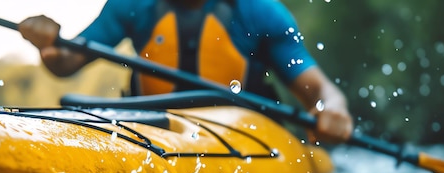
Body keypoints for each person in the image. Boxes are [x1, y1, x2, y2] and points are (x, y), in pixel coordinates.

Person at [18, 0, 353, 144]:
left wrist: (333, 109)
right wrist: (47, 42)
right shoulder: (133, 5)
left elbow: (320, 90)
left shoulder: (260, 11)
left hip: (246, 137)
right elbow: (65, 61)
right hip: (152, 133)